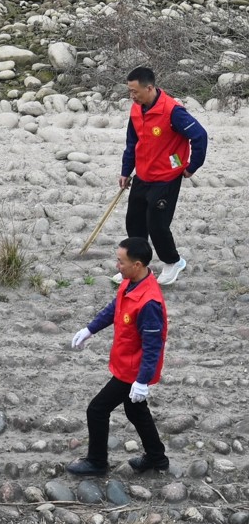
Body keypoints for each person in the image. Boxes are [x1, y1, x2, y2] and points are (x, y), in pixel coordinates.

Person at [68, 237, 169, 477]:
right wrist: (90, 329)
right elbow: (115, 308)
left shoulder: (149, 303)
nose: (117, 266)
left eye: (121, 262)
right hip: (126, 362)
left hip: (133, 370)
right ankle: (157, 458)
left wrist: (142, 381)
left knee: (97, 410)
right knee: (135, 411)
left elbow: (152, 347)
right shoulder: (131, 282)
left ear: (137, 264)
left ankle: (97, 462)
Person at [119, 66, 207, 286]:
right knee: (134, 223)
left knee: (157, 225)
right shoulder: (136, 109)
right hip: (143, 174)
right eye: (129, 91)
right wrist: (125, 171)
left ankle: (173, 262)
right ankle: (137, 267)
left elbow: (200, 136)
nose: (132, 96)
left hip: (166, 177)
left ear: (149, 88)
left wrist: (192, 166)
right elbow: (132, 142)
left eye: (135, 91)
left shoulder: (173, 111)